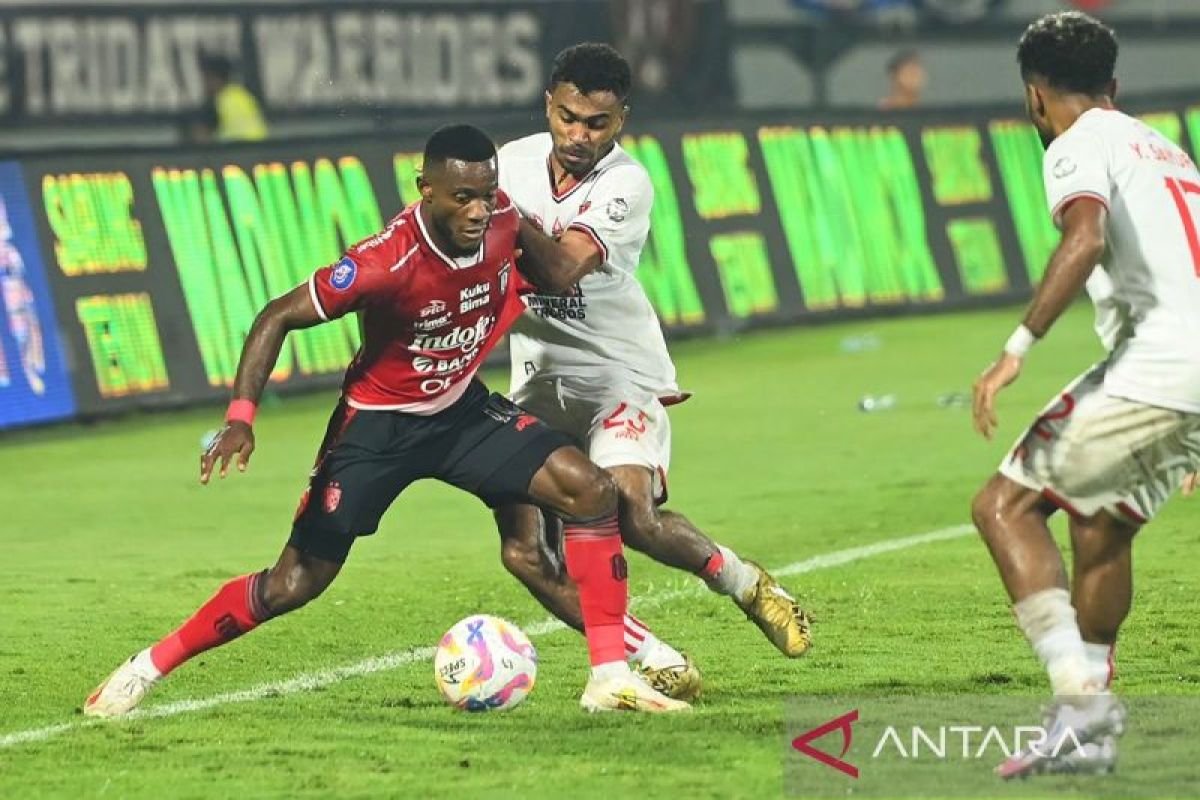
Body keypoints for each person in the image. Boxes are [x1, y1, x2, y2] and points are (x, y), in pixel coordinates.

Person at [83, 124, 688, 718]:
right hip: (378, 429)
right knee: (293, 583)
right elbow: (276, 317)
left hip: (460, 413)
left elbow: (555, 270)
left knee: (589, 490)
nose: (479, 211)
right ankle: (147, 666)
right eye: (463, 197)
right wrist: (241, 417)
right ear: (426, 189)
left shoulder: (505, 220)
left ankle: (610, 676)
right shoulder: (383, 262)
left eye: (487, 194)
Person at [492, 43, 813, 702]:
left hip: (616, 375)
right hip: (537, 380)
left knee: (631, 515)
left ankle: (745, 583)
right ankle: (650, 657)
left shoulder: (626, 184)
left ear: (622, 121)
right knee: (525, 552)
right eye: (568, 117)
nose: (579, 136)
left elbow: (560, 269)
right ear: (548, 105)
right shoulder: (511, 162)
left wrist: (498, 212)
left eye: (597, 124)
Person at [970, 11, 1200, 778]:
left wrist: (1016, 349)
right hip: (1186, 372)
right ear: (1114, 84)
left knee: (1003, 507)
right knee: (1103, 527)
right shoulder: (1168, 150)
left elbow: (1086, 236)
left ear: (1034, 96)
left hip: (1159, 365)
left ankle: (1079, 706)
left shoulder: (1078, 143)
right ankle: (1091, 732)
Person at [191, 53, 269, 143]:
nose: (205, 85)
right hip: (261, 149)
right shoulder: (244, 95)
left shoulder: (217, 102)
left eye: (206, 79)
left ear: (213, 78)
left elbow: (201, 138)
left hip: (234, 149)